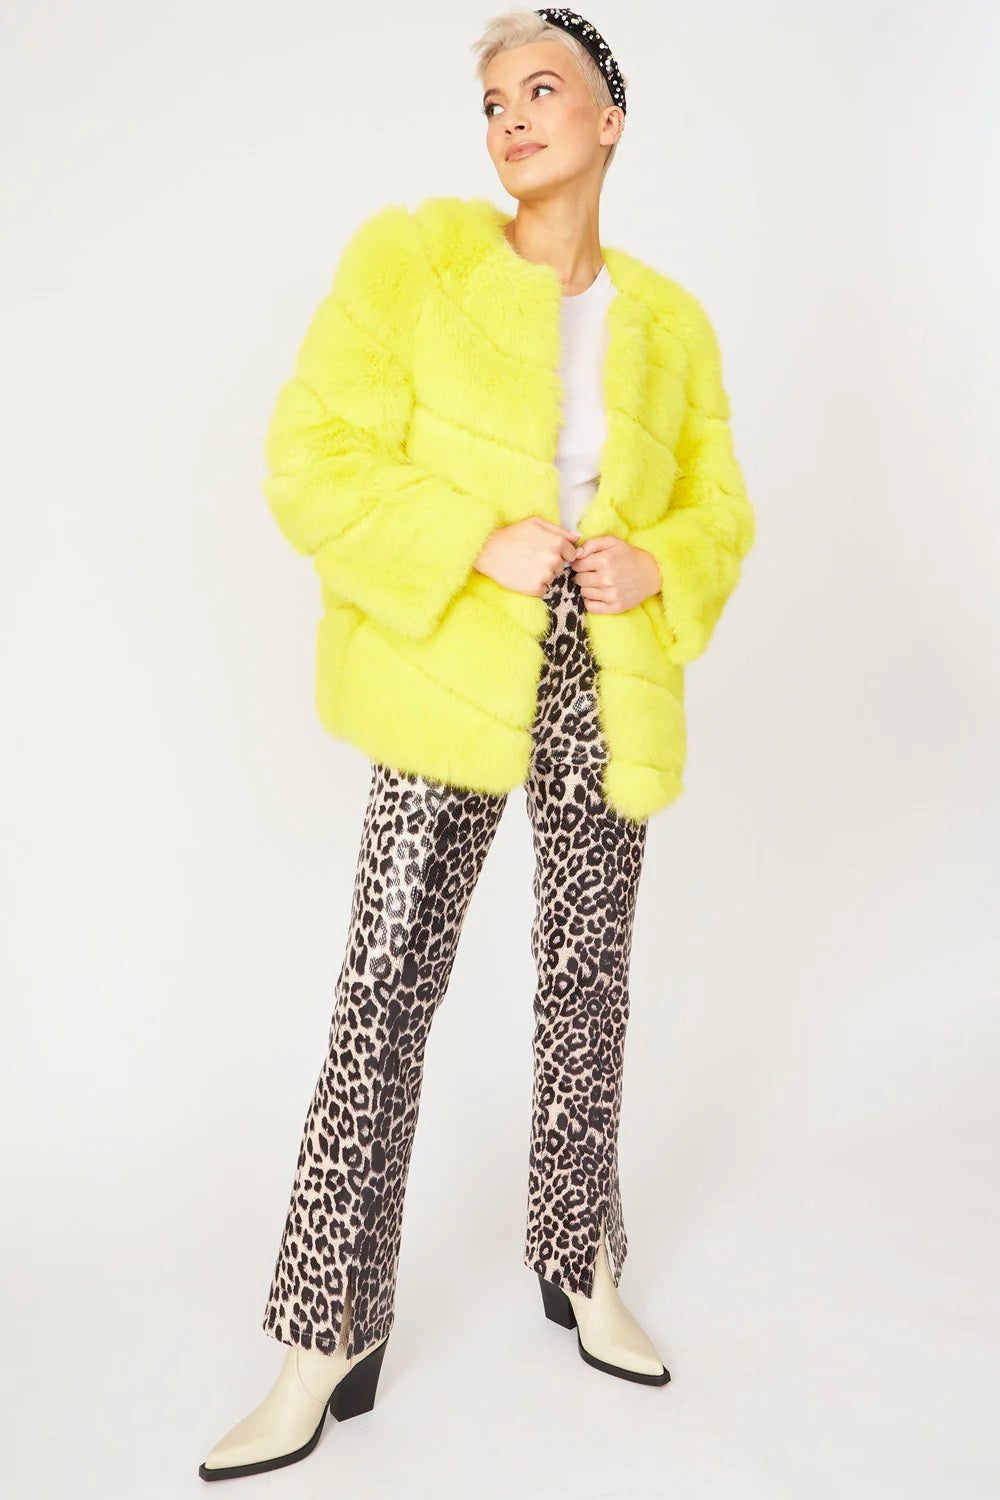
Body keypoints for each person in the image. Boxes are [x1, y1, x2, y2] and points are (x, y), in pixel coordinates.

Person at [199, 6, 754, 1482]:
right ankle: (322, 1334)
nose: (511, 117)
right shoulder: (416, 267)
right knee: (385, 982)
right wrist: (469, 538)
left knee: (588, 976)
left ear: (609, 120)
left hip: (604, 671)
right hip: (453, 660)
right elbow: (310, 455)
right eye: (494, 98)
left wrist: (661, 562)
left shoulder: (670, 325)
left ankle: (583, 1258)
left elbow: (719, 506)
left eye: (541, 89)